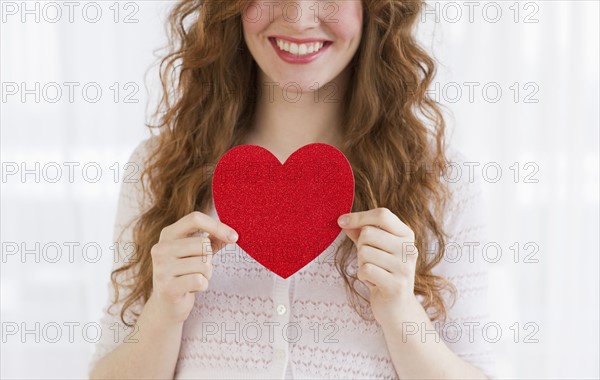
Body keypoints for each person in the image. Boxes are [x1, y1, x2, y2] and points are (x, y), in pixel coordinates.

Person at [89, 0, 496, 378]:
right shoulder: (160, 166)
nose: (299, 17)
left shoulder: (441, 178)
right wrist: (161, 315)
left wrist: (402, 312)